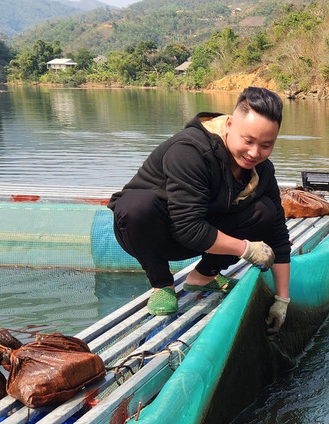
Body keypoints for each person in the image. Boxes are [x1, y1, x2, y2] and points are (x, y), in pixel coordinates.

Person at [108, 86, 291, 333]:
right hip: (151, 234)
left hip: (202, 234)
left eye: (266, 145)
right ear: (228, 125)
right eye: (248, 141)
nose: (254, 153)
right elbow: (187, 227)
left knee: (266, 211)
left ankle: (204, 275)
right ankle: (162, 285)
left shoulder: (263, 170)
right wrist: (246, 249)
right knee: (136, 207)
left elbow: (278, 234)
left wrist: (282, 300)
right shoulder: (190, 151)